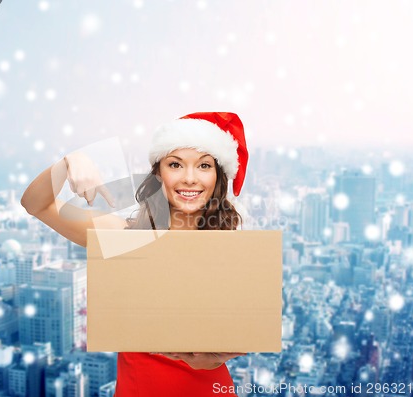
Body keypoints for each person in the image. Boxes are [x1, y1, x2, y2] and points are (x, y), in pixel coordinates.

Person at [21, 111, 250, 397]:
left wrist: (223, 354)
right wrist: (68, 163)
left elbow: (246, 330)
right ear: (158, 174)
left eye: (204, 165)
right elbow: (36, 205)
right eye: (175, 164)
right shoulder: (126, 238)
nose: (190, 178)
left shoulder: (231, 249)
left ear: (218, 177)